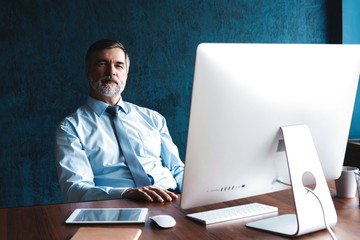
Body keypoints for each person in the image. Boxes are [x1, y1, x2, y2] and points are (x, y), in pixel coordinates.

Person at [55, 39, 184, 203]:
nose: (111, 72)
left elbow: (177, 168)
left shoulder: (153, 118)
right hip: (117, 205)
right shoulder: (71, 128)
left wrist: (197, 192)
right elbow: (75, 190)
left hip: (172, 199)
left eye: (118, 65)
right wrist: (127, 193)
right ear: (88, 71)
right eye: (102, 64)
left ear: (126, 73)